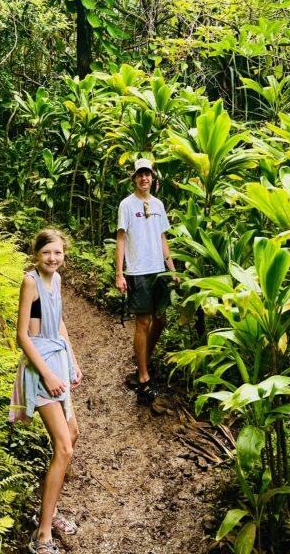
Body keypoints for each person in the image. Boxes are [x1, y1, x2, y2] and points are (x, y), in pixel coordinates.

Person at [9, 228, 82, 554]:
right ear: (36, 255)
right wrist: (49, 374)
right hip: (40, 371)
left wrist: (73, 362)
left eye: (58, 253)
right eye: (47, 253)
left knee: (73, 434)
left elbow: (59, 324)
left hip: (58, 361)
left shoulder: (57, 281)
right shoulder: (31, 282)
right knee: (64, 449)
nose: (53, 258)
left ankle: (49, 512)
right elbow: (22, 336)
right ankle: (41, 537)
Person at [115, 157, 177, 405]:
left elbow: (162, 238)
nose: (144, 178)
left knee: (160, 320)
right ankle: (143, 377)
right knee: (143, 321)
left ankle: (144, 360)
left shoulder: (159, 205)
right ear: (134, 178)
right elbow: (121, 238)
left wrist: (172, 269)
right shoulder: (126, 205)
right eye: (140, 174)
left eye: (148, 174)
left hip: (158, 270)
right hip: (137, 270)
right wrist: (119, 273)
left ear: (153, 178)